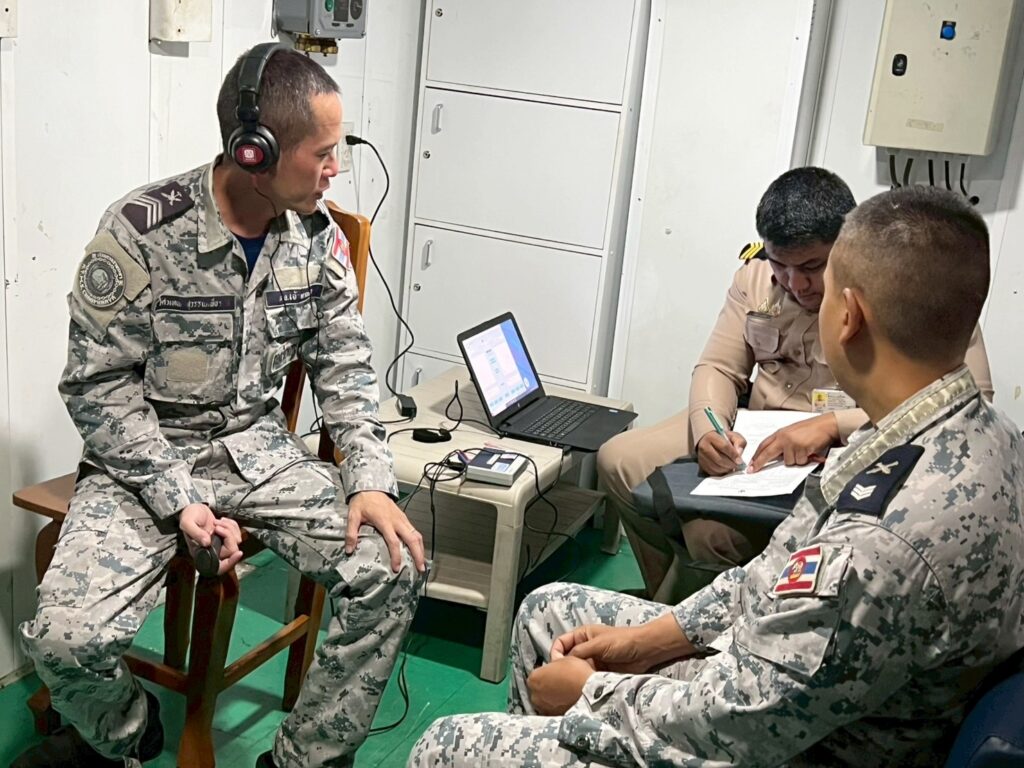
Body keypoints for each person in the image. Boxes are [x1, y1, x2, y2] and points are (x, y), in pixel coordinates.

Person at [408, 186, 1024, 767]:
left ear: (849, 316)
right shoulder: (971, 435)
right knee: (548, 611)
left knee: (446, 744)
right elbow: (771, 577)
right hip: (793, 696)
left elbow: (739, 723)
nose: (799, 288)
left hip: (795, 744)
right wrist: (650, 639)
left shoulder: (880, 544)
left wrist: (591, 695)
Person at [15, 43, 425, 768]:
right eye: (323, 153)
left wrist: (369, 481)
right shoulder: (142, 233)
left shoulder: (315, 238)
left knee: (394, 566)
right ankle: (127, 734)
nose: (336, 169)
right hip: (143, 464)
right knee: (64, 641)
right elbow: (96, 386)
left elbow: (347, 367)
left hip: (258, 457)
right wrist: (177, 499)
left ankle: (302, 761)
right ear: (254, 151)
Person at [599, 167, 993, 602]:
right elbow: (718, 367)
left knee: (711, 535)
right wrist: (709, 429)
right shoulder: (754, 279)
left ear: (846, 248)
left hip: (850, 440)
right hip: (756, 431)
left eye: (811, 267)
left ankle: (693, 611)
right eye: (780, 264)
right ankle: (664, 597)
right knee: (620, 460)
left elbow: (966, 400)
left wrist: (832, 425)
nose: (795, 283)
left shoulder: (899, 290)